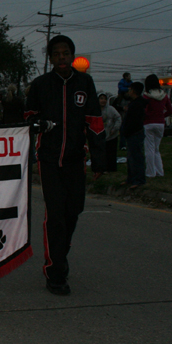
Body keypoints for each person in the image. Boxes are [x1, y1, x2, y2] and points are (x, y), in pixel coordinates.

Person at [24, 35, 105, 296]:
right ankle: (55, 271)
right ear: (50, 58)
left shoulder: (85, 83)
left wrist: (99, 160)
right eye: (56, 53)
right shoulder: (40, 85)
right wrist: (39, 125)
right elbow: (27, 119)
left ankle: (59, 254)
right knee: (55, 215)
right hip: (48, 160)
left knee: (73, 211)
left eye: (65, 53)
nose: (61, 57)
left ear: (72, 55)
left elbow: (94, 122)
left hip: (74, 160)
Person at [142, 74, 172, 178]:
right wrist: (162, 116)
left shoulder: (146, 96)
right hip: (160, 124)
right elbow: (170, 110)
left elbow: (144, 111)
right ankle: (160, 172)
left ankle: (150, 172)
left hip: (148, 123)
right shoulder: (164, 95)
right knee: (156, 149)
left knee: (149, 149)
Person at [121, 83, 147, 189]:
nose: (128, 91)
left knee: (136, 157)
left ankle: (139, 180)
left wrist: (127, 130)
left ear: (134, 91)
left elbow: (135, 121)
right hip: (131, 133)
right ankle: (131, 179)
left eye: (130, 89)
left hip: (135, 133)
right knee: (131, 157)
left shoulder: (138, 104)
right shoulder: (134, 103)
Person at [98, 93, 121, 172]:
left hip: (111, 135)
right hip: (100, 135)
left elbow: (118, 118)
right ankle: (102, 168)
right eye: (101, 98)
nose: (103, 100)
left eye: (104, 99)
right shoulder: (95, 110)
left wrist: (115, 129)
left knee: (111, 153)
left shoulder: (111, 109)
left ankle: (111, 168)